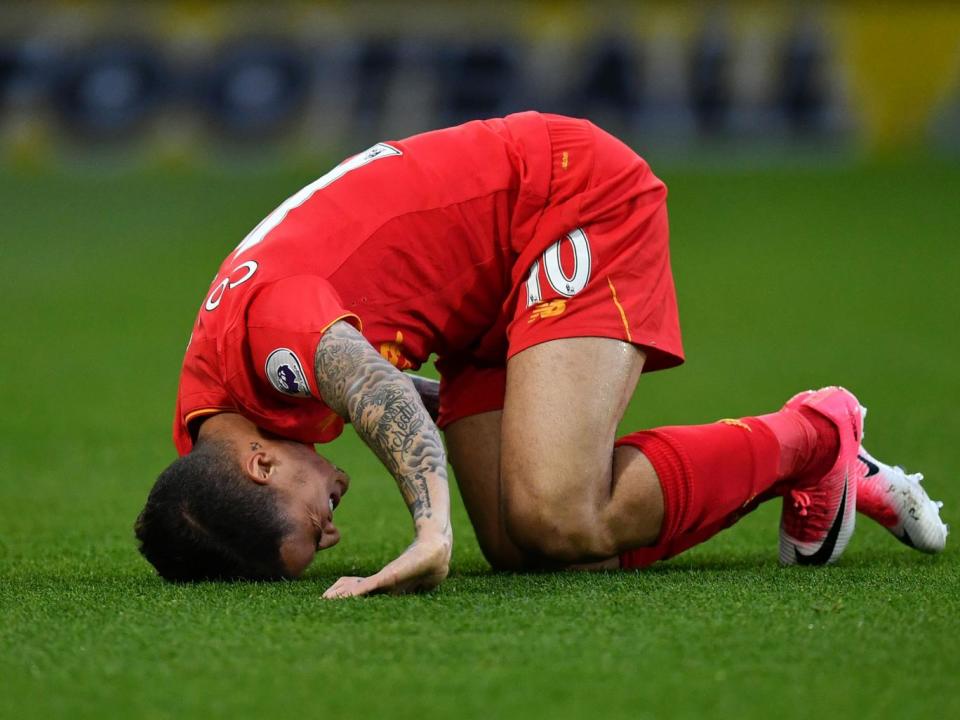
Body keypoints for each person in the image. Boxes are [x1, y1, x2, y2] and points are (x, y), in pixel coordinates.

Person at [134, 112, 948, 595]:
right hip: (480, 302)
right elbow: (377, 383)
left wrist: (430, 531)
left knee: (560, 514)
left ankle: (815, 439)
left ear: (261, 468)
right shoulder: (212, 426)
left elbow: (371, 387)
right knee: (528, 546)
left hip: (563, 196)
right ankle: (806, 459)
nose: (336, 514)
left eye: (318, 522)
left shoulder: (269, 338)